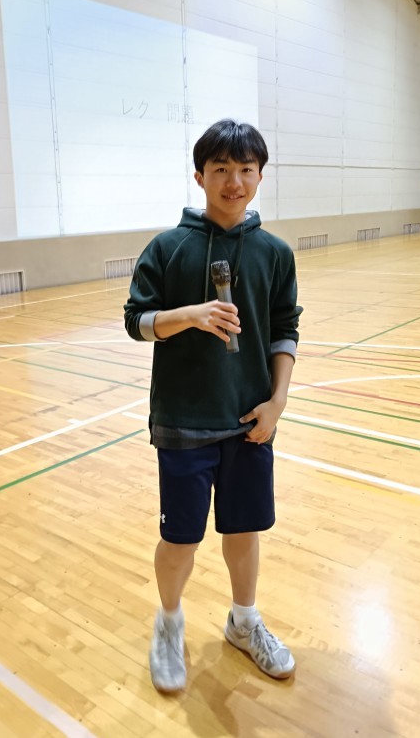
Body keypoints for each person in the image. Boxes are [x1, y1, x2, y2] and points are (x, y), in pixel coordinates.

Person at [124, 119, 302, 692]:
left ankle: (243, 623)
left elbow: (284, 329)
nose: (234, 182)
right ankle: (168, 623)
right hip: (184, 420)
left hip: (250, 420)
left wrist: (276, 402)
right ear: (200, 176)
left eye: (246, 169)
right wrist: (191, 316)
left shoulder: (275, 253)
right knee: (181, 537)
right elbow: (136, 321)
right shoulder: (167, 248)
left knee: (244, 530)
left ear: (260, 176)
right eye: (221, 169)